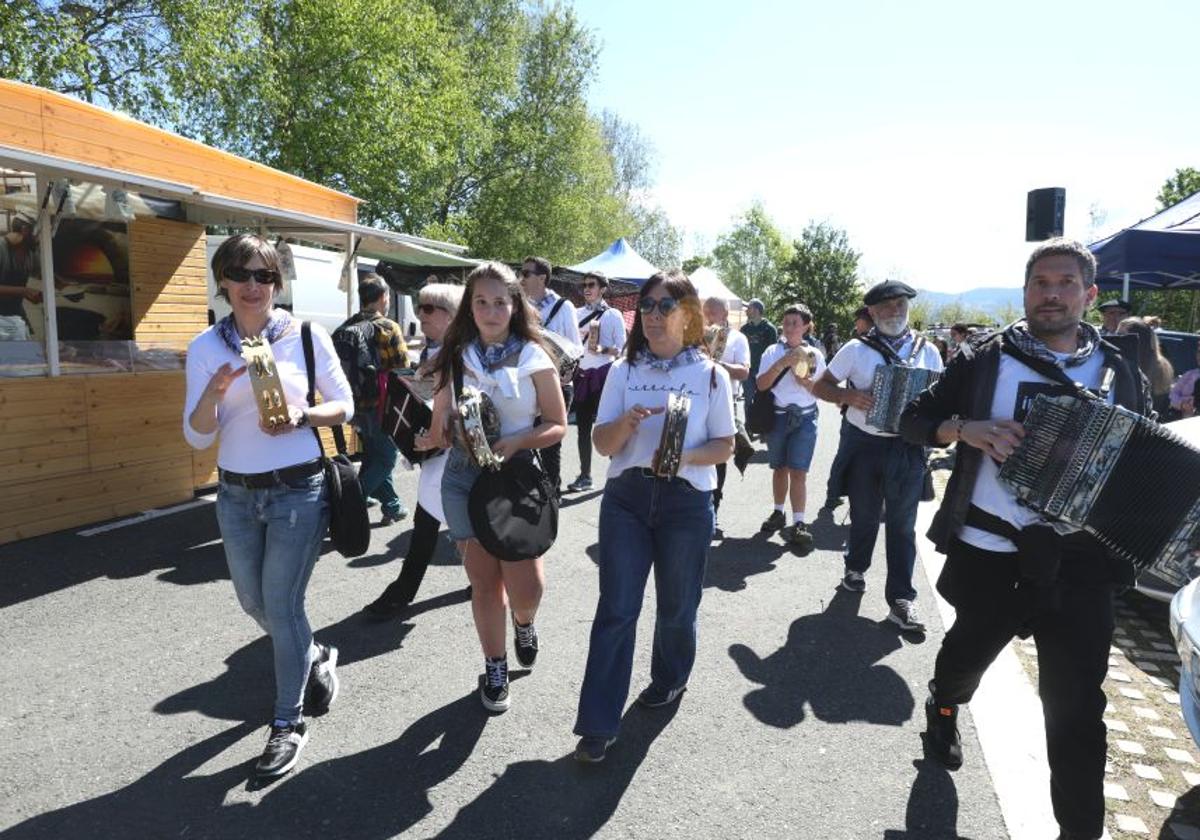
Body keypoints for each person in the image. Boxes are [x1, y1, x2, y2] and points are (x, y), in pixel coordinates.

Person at [898, 238, 1150, 840]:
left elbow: (1142, 456)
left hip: (1080, 558)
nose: (1052, 293)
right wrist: (965, 429)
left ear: (1089, 295)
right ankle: (943, 705)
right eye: (1041, 282)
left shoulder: (1120, 370)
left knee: (1078, 711)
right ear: (1026, 291)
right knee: (963, 662)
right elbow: (910, 419)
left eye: (1066, 283)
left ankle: (1079, 831)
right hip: (994, 551)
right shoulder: (986, 358)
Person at [183, 233, 351, 779]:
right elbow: (195, 436)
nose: (253, 285)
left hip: (297, 490)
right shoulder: (207, 347)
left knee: (280, 606)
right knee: (254, 602)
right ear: (224, 280)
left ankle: (288, 721)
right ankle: (316, 656)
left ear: (277, 283)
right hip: (234, 494)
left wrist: (303, 416)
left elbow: (344, 403)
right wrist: (213, 392)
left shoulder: (305, 334)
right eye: (242, 273)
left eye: (264, 276)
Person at [573, 270, 735, 763]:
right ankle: (598, 724)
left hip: (686, 504)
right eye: (647, 306)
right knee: (617, 608)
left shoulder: (711, 374)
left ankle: (669, 678)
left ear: (688, 315)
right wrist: (625, 423)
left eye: (666, 306)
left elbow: (725, 445)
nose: (654, 315)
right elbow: (602, 446)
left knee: (676, 608)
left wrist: (680, 455)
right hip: (626, 498)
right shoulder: (623, 371)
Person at [425, 261, 566, 713]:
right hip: (464, 477)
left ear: (514, 304)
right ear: (470, 306)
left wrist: (519, 441)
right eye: (481, 302)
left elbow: (558, 424)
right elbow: (440, 415)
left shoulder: (533, 356)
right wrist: (434, 431)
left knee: (526, 589)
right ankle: (495, 664)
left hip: (516, 475)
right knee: (484, 585)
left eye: (499, 302)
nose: (490, 310)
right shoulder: (457, 354)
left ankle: (523, 622)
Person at [811, 280, 943, 632]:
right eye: (885, 307)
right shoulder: (856, 348)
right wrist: (848, 397)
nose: (894, 312)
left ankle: (902, 600)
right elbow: (819, 386)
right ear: (871, 312)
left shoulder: (927, 351)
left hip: (908, 448)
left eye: (900, 304)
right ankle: (855, 569)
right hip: (865, 444)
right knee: (865, 517)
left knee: (902, 526)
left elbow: (943, 398)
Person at [364, 282, 465, 618]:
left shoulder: (465, 355)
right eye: (419, 306)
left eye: (428, 308)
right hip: (441, 459)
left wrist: (433, 439)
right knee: (432, 522)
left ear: (451, 315)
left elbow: (470, 415)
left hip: (460, 460)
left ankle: (404, 593)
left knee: (451, 525)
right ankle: (403, 592)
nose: (420, 314)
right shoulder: (438, 352)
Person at [333, 274, 410, 525]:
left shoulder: (345, 328)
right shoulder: (387, 327)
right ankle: (349, 503)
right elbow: (402, 367)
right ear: (382, 297)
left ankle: (392, 505)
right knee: (388, 458)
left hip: (355, 406)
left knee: (374, 455)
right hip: (382, 405)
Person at [756, 303, 825, 551]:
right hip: (778, 416)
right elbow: (762, 385)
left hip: (805, 418)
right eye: (786, 322)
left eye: (795, 323)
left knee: (798, 471)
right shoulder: (772, 351)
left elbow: (821, 391)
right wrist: (782, 363)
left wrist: (803, 381)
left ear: (806, 326)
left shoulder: (814, 355)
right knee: (779, 468)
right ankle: (778, 512)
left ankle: (798, 522)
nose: (789, 327)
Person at [520, 256, 582, 497]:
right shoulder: (518, 306)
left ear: (542, 278)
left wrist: (564, 377)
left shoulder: (563, 306)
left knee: (549, 446)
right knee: (524, 443)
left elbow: (576, 348)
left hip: (556, 384)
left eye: (526, 273)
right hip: (526, 384)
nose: (521, 278)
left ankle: (551, 500)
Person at [567, 270, 627, 493]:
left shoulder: (613, 315)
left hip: (604, 375)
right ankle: (585, 476)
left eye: (591, 284)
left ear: (603, 289)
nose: (586, 288)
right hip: (582, 376)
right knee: (582, 429)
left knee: (609, 426)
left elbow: (621, 349)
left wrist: (601, 349)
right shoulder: (575, 312)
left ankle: (618, 473)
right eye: (584, 285)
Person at [701, 295, 750, 540]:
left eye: (712, 312)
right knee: (696, 450)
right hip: (698, 399)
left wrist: (719, 364)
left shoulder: (737, 338)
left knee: (719, 454)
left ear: (724, 314)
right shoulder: (696, 335)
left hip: (725, 400)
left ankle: (714, 507)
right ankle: (696, 505)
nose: (707, 316)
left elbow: (744, 371)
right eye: (705, 311)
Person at [821, 306, 876, 512]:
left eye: (858, 320)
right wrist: (843, 396)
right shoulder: (856, 345)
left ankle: (839, 494)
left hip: (859, 414)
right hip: (852, 412)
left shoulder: (864, 343)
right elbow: (827, 381)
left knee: (847, 455)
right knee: (844, 454)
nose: (856, 325)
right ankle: (833, 494)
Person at [1117, 316, 1175, 417]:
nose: (1117, 339)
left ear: (1138, 339)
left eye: (1121, 335)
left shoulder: (1157, 367)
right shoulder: (1162, 364)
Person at [0, 213, 42, 340]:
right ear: (25, 230)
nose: (39, 237)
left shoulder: (31, 253)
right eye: (37, 232)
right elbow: (22, 290)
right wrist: (24, 291)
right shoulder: (2, 248)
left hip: (14, 312)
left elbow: (43, 276)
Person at [739, 298, 777, 419]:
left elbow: (774, 353)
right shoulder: (744, 329)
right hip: (748, 371)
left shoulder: (769, 329)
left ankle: (762, 428)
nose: (746, 311)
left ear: (756, 310)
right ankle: (749, 426)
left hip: (764, 372)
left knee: (763, 400)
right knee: (748, 400)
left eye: (748, 308)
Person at [1169, 340, 1200, 418]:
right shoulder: (1189, 374)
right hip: (1179, 418)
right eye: (1199, 351)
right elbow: (1172, 393)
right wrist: (1182, 404)